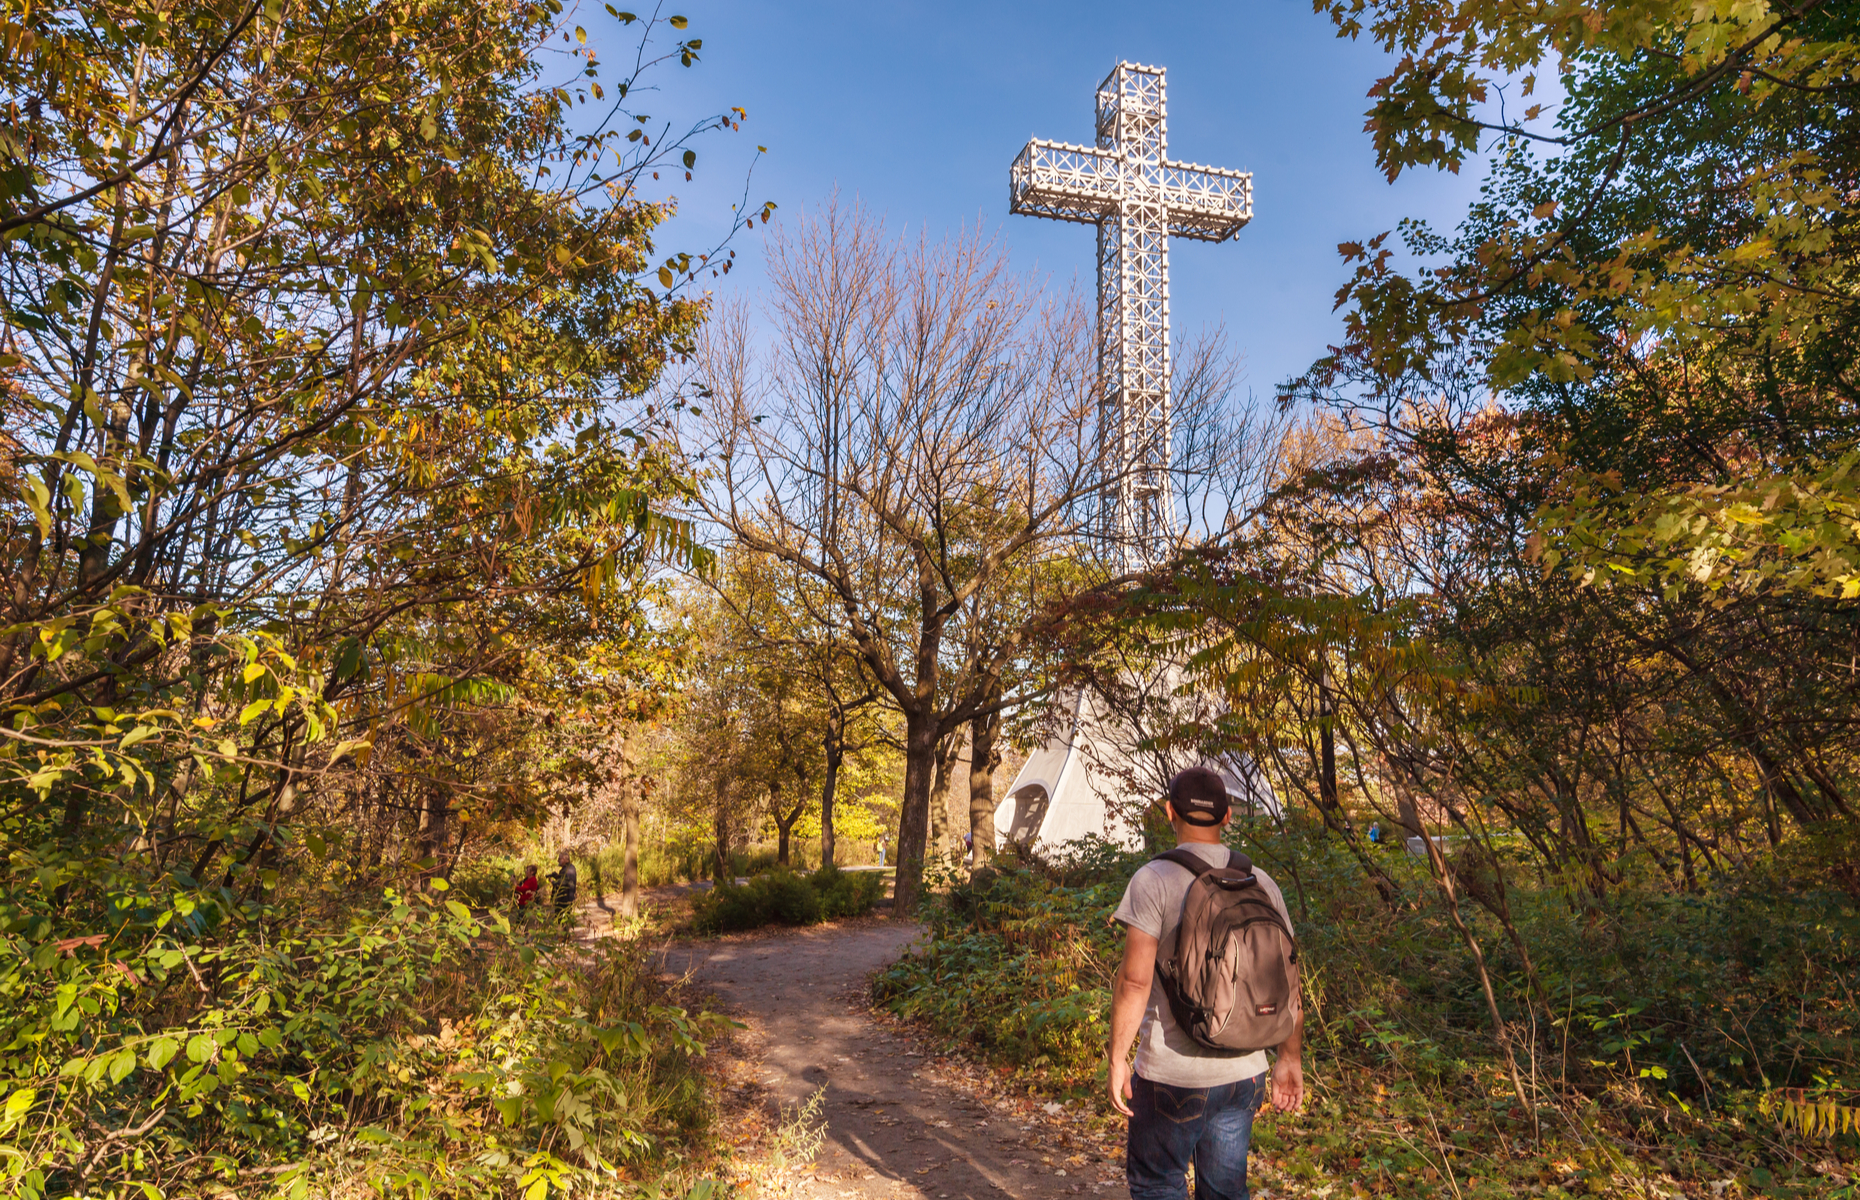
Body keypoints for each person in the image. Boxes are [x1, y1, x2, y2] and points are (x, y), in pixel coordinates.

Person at [1108, 766, 1304, 1200]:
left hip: (1171, 1075)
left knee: (1158, 1185)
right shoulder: (1262, 883)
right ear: (1228, 816)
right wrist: (1289, 1058)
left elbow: (1134, 983)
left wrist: (1117, 1058)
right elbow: (1288, 980)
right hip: (1244, 1073)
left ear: (1168, 811)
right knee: (1225, 1192)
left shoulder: (1153, 879)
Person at [549, 850, 578, 918]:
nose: (558, 860)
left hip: (564, 900)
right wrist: (556, 876)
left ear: (564, 859)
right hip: (566, 898)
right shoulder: (569, 868)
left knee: (562, 919)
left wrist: (553, 882)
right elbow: (565, 880)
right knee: (563, 918)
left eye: (559, 859)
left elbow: (562, 884)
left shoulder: (567, 870)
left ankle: (563, 928)